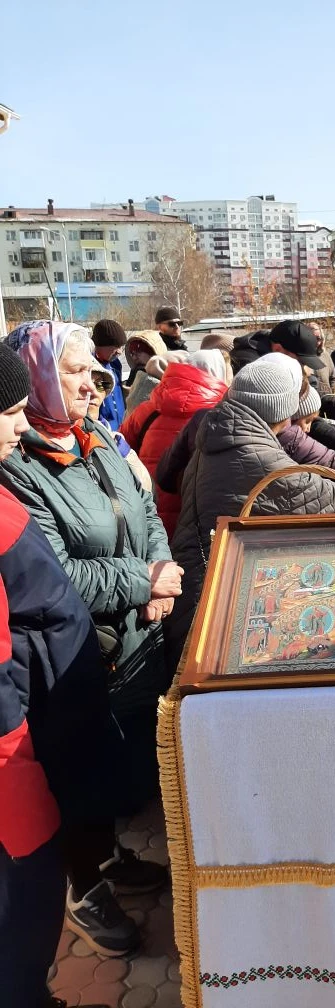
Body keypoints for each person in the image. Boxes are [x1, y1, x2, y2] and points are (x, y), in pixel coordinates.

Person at [0, 321, 181, 956]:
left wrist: (159, 578)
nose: (91, 383)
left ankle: (106, 860)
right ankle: (83, 890)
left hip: (133, 636)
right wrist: (144, 580)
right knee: (73, 772)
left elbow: (146, 508)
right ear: (41, 378)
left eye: (89, 371)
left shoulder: (97, 433)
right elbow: (57, 574)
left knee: (113, 764)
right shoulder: (18, 467)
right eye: (74, 372)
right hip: (76, 652)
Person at [0, 343, 121, 1008]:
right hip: (18, 745)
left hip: (53, 703)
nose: (19, 426)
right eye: (10, 411)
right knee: (23, 914)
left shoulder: (92, 439)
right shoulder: (18, 479)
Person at [166, 354, 335, 669]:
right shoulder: (256, 454)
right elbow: (333, 495)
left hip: (196, 584)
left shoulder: (220, 433)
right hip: (211, 608)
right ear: (281, 411)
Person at [120, 350, 230, 539]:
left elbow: (119, 453)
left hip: (146, 513)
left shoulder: (147, 410)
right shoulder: (220, 415)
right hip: (195, 520)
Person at [89, 359, 152, 491]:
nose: (93, 392)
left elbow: (146, 488)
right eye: (86, 383)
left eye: (100, 385)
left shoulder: (116, 440)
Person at [91, 319, 127, 429]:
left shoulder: (115, 365)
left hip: (121, 428)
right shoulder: (90, 369)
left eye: (121, 346)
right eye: (115, 346)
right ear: (100, 345)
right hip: (103, 430)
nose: (119, 351)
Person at [309, 322, 335, 395]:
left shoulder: (325, 355)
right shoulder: (299, 358)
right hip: (310, 402)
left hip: (327, 400)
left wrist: (332, 394)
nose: (316, 342)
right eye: (312, 338)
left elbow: (334, 378)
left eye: (318, 338)